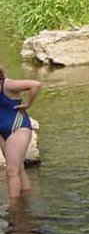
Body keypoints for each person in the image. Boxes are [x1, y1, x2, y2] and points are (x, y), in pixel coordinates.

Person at [0, 67, 40, 200]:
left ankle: (14, 210)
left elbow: (35, 84)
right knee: (19, 169)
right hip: (2, 133)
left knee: (11, 171)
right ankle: (25, 203)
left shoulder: (7, 84)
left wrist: (28, 104)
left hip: (18, 129)